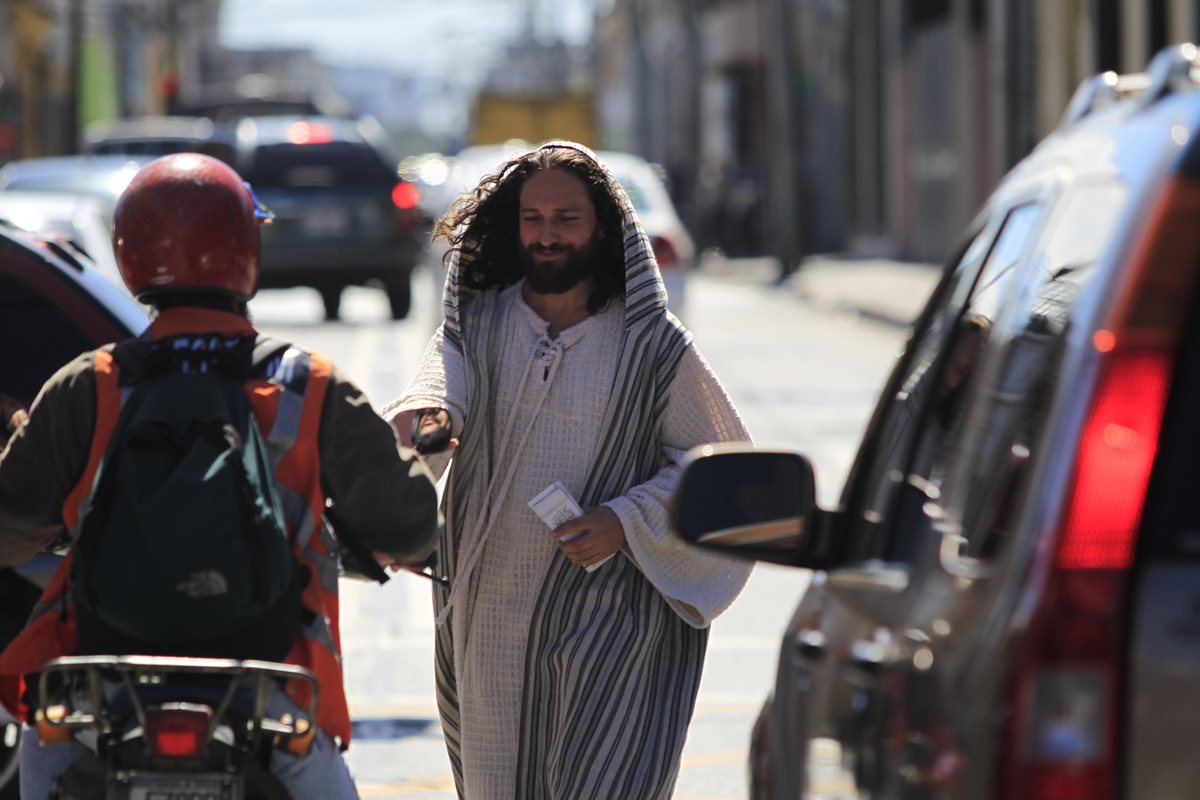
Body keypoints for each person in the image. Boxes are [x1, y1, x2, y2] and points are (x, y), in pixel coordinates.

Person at [0, 153, 440, 799]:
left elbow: (9, 527)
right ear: (248, 250)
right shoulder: (307, 383)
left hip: (106, 680)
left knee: (46, 761)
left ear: (128, 255)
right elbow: (408, 524)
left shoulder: (89, 383)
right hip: (274, 685)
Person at [384, 141, 753, 799]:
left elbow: (725, 473)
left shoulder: (653, 347)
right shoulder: (480, 320)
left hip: (615, 629)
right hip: (492, 619)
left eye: (566, 218)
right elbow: (442, 393)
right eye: (533, 218)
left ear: (602, 227)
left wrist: (624, 520)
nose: (547, 235)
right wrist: (428, 424)